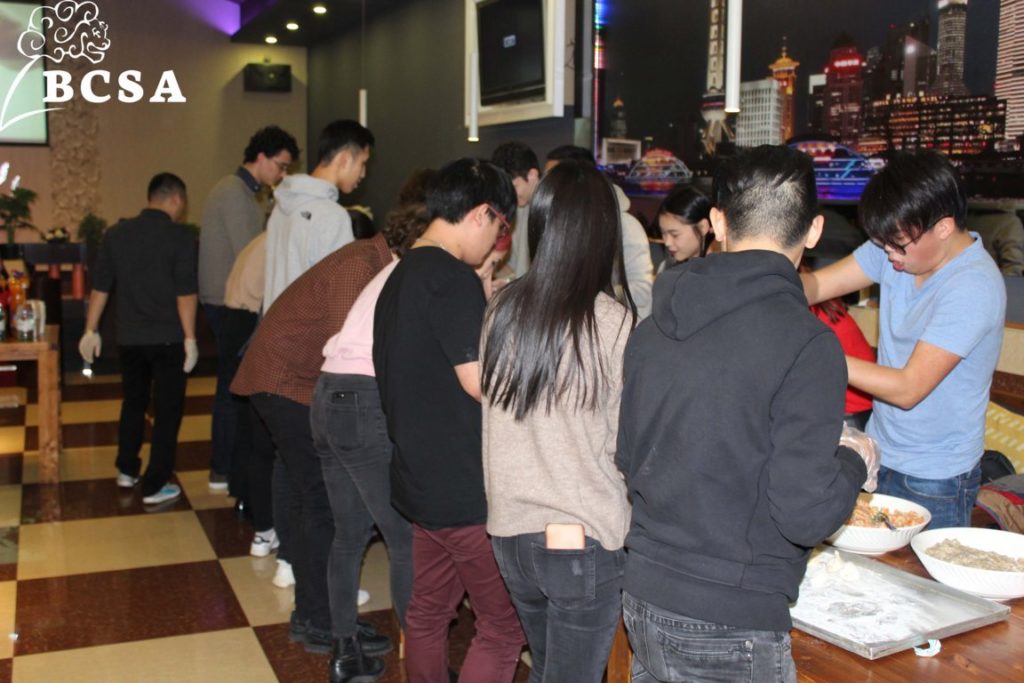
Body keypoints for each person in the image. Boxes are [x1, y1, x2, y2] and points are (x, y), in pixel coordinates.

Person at [617, 145, 872, 683]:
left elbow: (629, 457)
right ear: (814, 230)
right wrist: (853, 460)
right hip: (732, 615)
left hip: (642, 593)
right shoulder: (807, 344)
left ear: (716, 222)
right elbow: (805, 514)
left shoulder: (652, 326)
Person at [481, 161, 635, 683]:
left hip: (510, 535)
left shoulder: (501, 308)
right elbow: (624, 443)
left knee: (548, 668)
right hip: (578, 535)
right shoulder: (611, 322)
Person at [373, 158, 525, 683]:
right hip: (462, 487)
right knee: (503, 626)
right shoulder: (450, 276)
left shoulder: (400, 274)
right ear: (482, 213)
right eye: (501, 227)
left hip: (419, 481)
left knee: (428, 613)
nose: (498, 242)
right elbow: (481, 382)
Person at [802, 150, 1006, 529]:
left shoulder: (973, 285)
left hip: (936, 477)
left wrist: (812, 353)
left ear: (943, 227)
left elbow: (908, 388)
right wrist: (759, 283)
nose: (889, 255)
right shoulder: (896, 245)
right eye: (883, 243)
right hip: (881, 451)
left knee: (916, 571)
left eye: (898, 245)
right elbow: (814, 286)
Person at [231, 221, 404, 658]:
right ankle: (325, 621)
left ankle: (312, 615)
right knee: (322, 503)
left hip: (285, 380)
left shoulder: (365, 258)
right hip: (288, 383)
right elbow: (347, 346)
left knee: (305, 498)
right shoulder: (362, 264)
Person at [312, 177, 431, 683]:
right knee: (403, 536)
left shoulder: (389, 272)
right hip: (362, 400)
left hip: (327, 393)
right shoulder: (419, 276)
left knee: (349, 534)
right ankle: (420, 665)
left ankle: (345, 651)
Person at [78, 173, 199, 506]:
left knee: (133, 402)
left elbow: (100, 286)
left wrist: (90, 329)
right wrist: (191, 338)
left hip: (129, 338)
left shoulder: (116, 234)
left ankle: (126, 469)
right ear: (176, 199)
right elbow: (185, 293)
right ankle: (155, 484)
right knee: (167, 410)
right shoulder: (180, 237)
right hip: (168, 339)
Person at [199, 125, 299, 491]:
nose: (282, 174)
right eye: (281, 165)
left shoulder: (240, 191)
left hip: (228, 299)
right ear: (261, 157)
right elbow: (252, 250)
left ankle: (226, 467)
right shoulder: (234, 192)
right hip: (230, 303)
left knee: (231, 387)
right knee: (232, 390)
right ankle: (223, 467)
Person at [264, 119, 374, 311]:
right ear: (345, 159)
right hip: (309, 328)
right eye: (362, 163)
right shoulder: (333, 216)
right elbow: (342, 295)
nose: (363, 173)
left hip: (273, 324)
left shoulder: (281, 206)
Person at [545, 145, 655, 318]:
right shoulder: (564, 222)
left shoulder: (626, 226)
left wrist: (591, 295)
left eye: (554, 178)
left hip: (620, 326)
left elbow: (642, 291)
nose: (546, 186)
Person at [491, 141, 541, 278]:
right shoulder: (520, 208)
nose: (510, 195)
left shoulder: (554, 210)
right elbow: (515, 267)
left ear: (532, 175)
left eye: (514, 187)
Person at [655, 184, 712, 272]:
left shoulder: (720, 271)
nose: (667, 242)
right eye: (663, 233)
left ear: (702, 227)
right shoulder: (667, 268)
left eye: (675, 235)